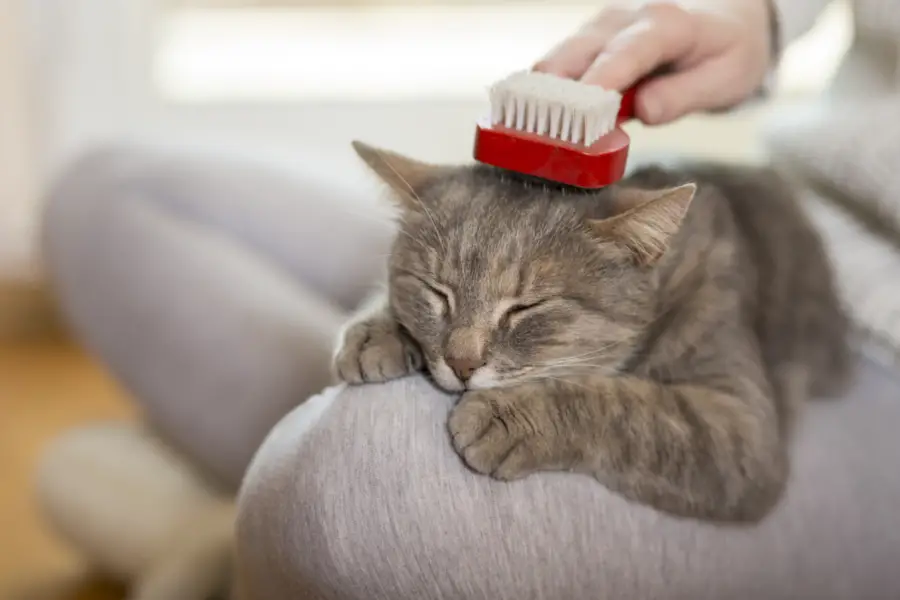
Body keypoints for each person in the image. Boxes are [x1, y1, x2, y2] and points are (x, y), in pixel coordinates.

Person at [37, 0, 900, 599]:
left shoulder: (697, 288)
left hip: (878, 358)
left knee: (355, 490)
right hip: (753, 190)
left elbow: (742, 461)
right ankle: (250, 518)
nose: (461, 359)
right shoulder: (526, 277)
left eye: (518, 322)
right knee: (106, 195)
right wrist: (755, 15)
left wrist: (561, 417)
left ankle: (237, 524)